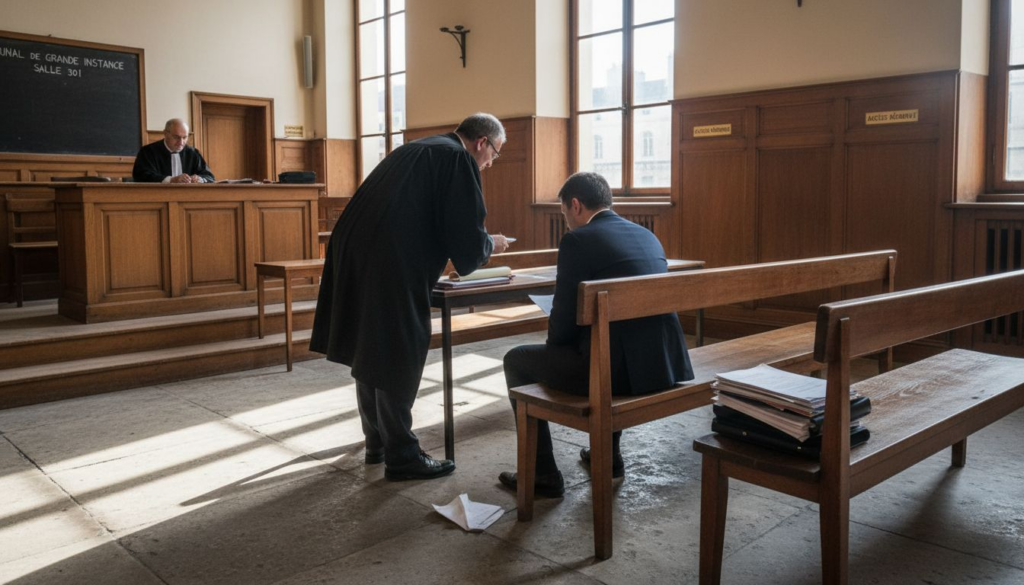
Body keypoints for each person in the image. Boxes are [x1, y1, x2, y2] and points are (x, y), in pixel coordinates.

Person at [310, 113, 510, 481]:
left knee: (372, 345)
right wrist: (489, 244)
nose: (491, 164)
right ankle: (402, 455)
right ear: (481, 142)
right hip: (390, 259)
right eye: (494, 154)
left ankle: (377, 442)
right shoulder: (458, 158)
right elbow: (465, 234)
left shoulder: (416, 148)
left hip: (353, 251)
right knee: (398, 349)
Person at [497, 172, 694, 497]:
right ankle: (609, 455)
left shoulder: (577, 240)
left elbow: (562, 323)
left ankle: (542, 474)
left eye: (564, 214)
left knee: (516, 359)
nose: (567, 222)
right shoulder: (647, 236)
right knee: (609, 340)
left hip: (611, 374)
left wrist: (556, 352)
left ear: (575, 205)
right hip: (661, 366)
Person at [132, 118, 215, 183]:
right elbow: (141, 176)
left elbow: (209, 176)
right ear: (165, 133)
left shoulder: (193, 153)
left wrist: (199, 179)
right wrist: (171, 180)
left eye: (184, 137)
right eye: (176, 137)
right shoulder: (148, 152)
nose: (181, 142)